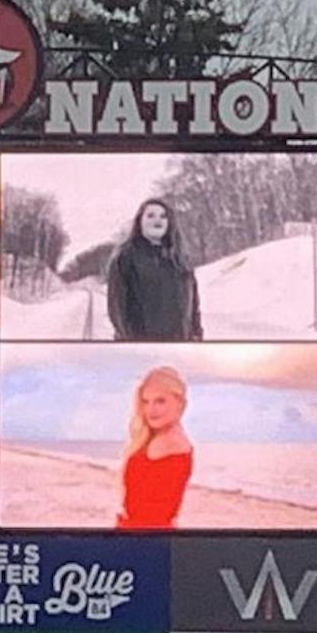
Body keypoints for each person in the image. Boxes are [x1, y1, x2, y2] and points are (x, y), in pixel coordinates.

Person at [106, 198, 202, 341]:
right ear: (140, 221)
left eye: (163, 216)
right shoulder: (125, 257)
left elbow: (193, 306)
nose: (158, 220)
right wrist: (133, 343)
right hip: (141, 348)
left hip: (181, 346)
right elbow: (117, 309)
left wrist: (197, 336)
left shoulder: (181, 259)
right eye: (150, 215)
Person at [116, 366, 193, 530]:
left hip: (143, 535)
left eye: (160, 401)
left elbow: (145, 511)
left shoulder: (167, 442)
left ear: (180, 404)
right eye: (146, 401)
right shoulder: (168, 438)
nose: (151, 410)